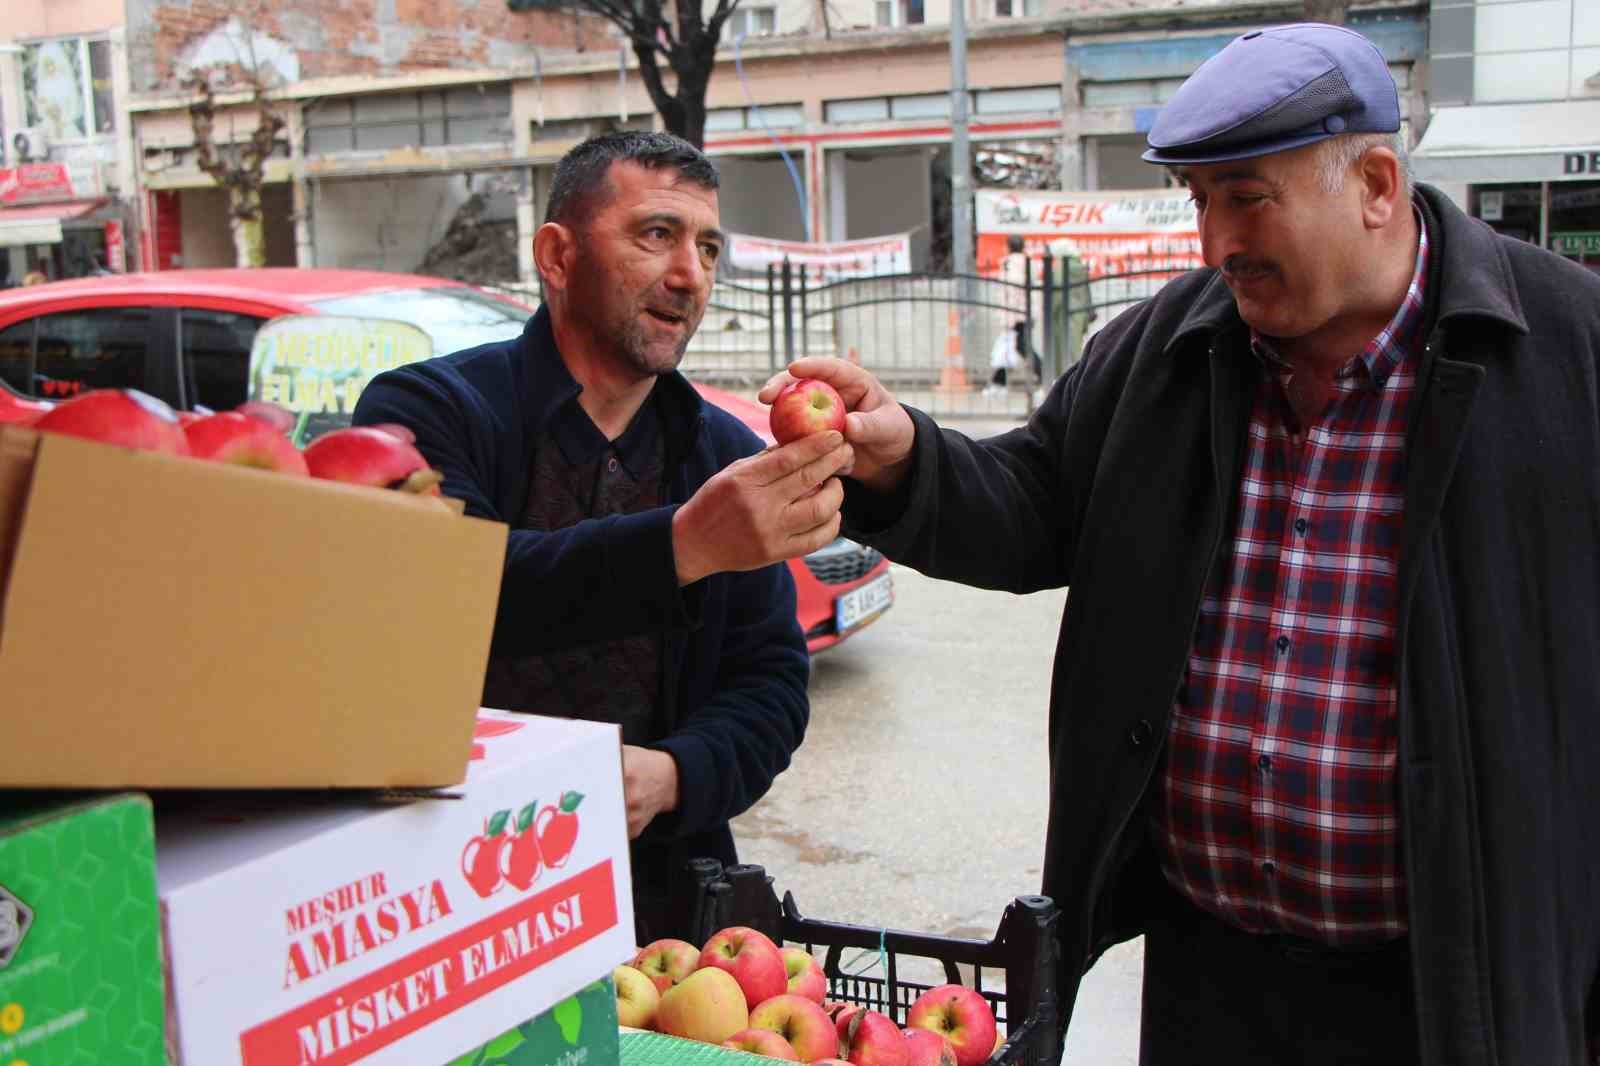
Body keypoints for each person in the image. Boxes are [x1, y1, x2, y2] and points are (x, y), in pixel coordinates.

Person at [760, 22, 1600, 1066]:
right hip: (1212, 976)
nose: (1213, 244)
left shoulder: (1566, 351)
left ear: (1376, 182)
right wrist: (903, 464)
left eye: (1245, 197)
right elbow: (1033, 499)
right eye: (1198, 202)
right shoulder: (1171, 342)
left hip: (1450, 991)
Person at [353, 131, 854, 942]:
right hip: (440, 888)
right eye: (656, 235)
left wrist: (672, 775)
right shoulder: (426, 412)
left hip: (661, 908)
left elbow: (769, 685)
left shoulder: (720, 454)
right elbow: (451, 594)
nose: (690, 275)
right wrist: (685, 546)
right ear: (557, 255)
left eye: (709, 247)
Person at [985, 235, 1028, 397]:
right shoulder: (1026, 261)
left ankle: (1045, 375)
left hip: (1015, 313)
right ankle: (999, 382)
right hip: (1023, 311)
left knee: (1018, 347)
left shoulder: (1010, 263)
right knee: (1009, 346)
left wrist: (1011, 314)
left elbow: (1012, 288)